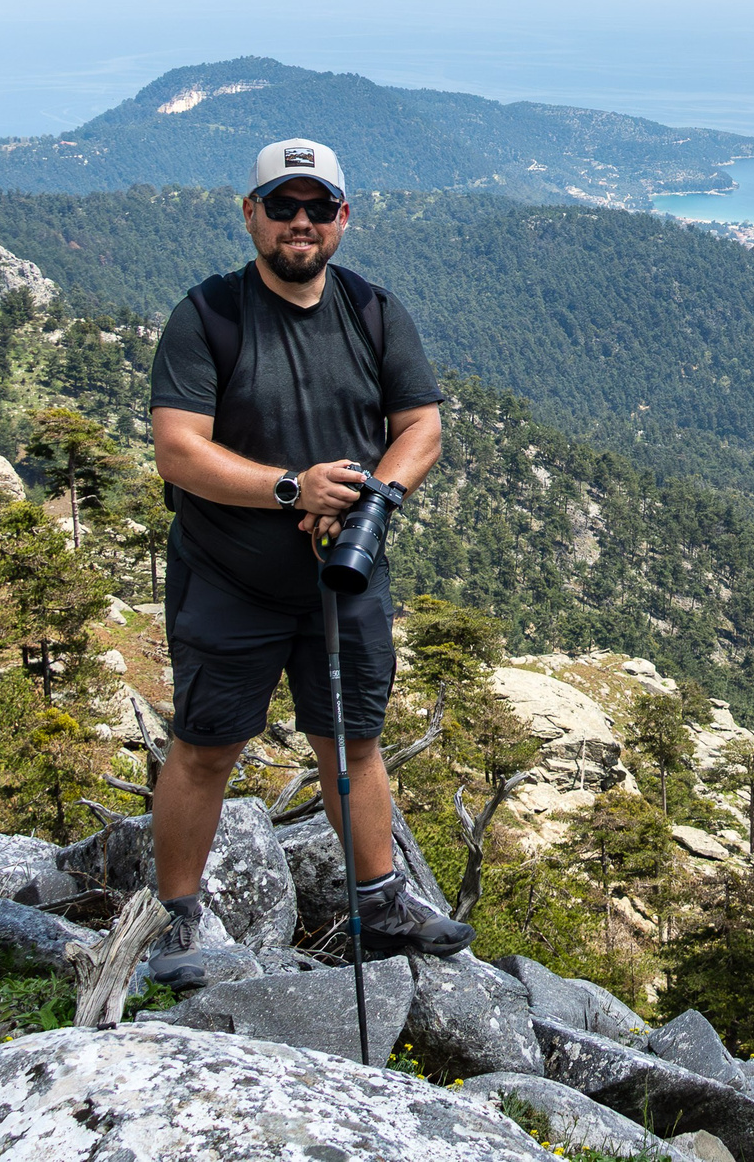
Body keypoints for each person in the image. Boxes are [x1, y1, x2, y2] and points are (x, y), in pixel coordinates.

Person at [143, 137, 473, 991]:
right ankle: (173, 919)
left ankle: (381, 902)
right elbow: (178, 450)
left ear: (342, 217)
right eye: (283, 205)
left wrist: (374, 499)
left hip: (344, 578)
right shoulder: (209, 316)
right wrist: (294, 488)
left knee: (353, 742)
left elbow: (421, 427)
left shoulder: (373, 311)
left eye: (317, 206)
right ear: (250, 213)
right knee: (206, 747)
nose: (301, 221)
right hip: (229, 579)